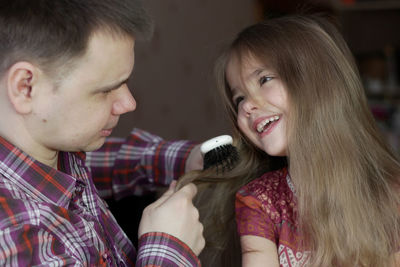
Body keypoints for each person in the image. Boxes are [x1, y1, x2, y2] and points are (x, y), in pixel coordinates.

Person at [179, 14, 400, 267]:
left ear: (317, 83)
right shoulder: (257, 200)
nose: (248, 105)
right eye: (239, 98)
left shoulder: (390, 193)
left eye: (264, 80)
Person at [0, 0, 204, 266]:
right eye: (106, 90)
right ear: (26, 87)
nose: (129, 103)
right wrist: (170, 249)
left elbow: (97, 161)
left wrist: (186, 158)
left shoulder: (54, 149)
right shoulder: (14, 235)